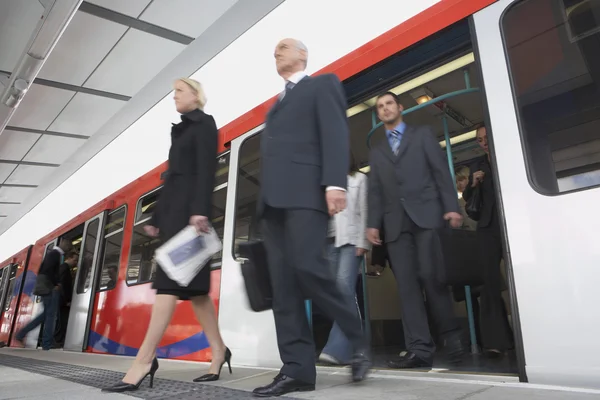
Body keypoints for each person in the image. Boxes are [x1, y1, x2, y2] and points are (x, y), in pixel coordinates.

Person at [252, 38, 371, 397]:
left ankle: (357, 339)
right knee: (283, 289)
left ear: (303, 54)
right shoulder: (276, 106)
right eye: (274, 48)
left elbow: (335, 131)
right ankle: (297, 370)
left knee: (311, 269)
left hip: (306, 194)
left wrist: (335, 183)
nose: (276, 51)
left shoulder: (323, 84)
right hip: (272, 206)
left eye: (284, 47)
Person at [102, 78, 231, 393]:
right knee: (197, 293)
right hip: (174, 216)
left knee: (167, 286)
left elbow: (206, 168)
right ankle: (219, 351)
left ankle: (145, 360)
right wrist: (156, 218)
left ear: (196, 95)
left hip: (190, 218)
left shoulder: (204, 123)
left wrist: (200, 209)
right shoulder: (181, 129)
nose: (174, 97)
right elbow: (172, 179)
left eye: (179, 91)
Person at [366, 91, 466, 369]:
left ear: (399, 107)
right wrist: (373, 223)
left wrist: (452, 207)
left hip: (427, 217)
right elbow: (374, 192)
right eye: (380, 107)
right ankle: (419, 349)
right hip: (396, 225)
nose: (384, 109)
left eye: (388, 104)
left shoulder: (422, 135)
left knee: (432, 278)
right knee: (407, 287)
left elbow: (440, 172)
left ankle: (452, 338)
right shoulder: (376, 151)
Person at [462, 125, 514, 357]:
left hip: (513, 222)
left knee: (521, 278)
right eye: (479, 139)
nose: (483, 142)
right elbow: (469, 204)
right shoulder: (476, 167)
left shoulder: (510, 155)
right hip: (487, 227)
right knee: (489, 285)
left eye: (486, 137)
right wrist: (473, 184)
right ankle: (496, 342)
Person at [319, 153, 370, 366]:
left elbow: (365, 210)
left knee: (343, 290)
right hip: (328, 243)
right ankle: (355, 348)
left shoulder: (359, 179)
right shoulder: (325, 184)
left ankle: (337, 349)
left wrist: (363, 242)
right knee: (336, 294)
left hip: (351, 240)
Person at [15, 238, 72, 350]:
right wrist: (56, 283)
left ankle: (21, 334)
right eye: (68, 246)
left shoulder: (53, 254)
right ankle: (47, 343)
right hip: (48, 287)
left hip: (45, 286)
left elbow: (43, 269)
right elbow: (48, 270)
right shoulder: (55, 254)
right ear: (64, 244)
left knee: (45, 315)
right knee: (51, 316)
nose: (68, 249)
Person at [53, 251, 78, 347]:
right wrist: (67, 300)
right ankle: (57, 341)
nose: (75, 263)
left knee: (60, 320)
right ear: (69, 258)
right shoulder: (65, 268)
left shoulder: (63, 268)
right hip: (61, 300)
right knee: (60, 321)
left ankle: (57, 340)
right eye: (75, 260)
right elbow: (63, 285)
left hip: (60, 299)